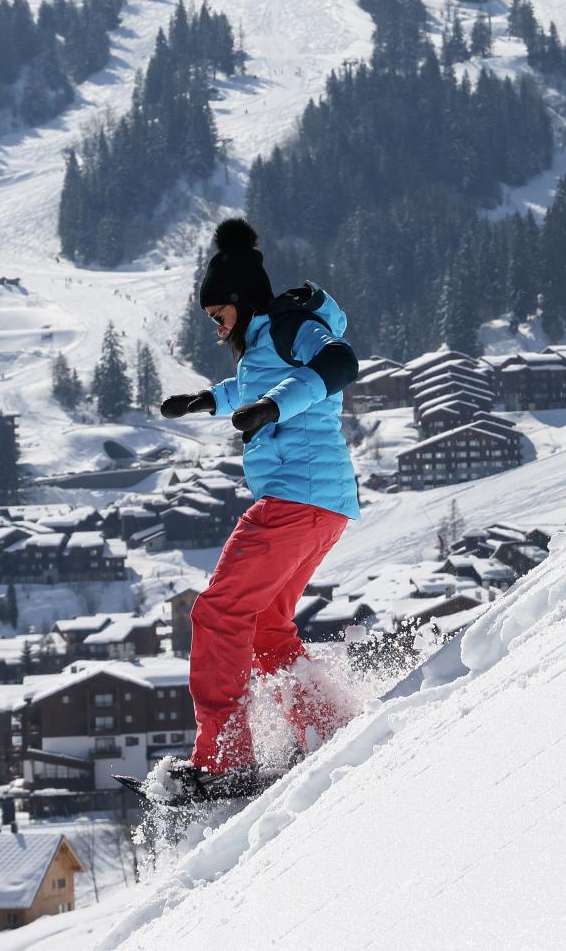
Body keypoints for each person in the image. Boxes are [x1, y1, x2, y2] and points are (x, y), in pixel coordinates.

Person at [154, 217, 360, 798]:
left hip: (295, 501)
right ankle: (329, 730)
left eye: (220, 317)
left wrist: (272, 408)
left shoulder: (294, 325)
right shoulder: (266, 345)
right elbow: (257, 387)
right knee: (267, 625)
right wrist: (206, 400)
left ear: (241, 303)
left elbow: (340, 364)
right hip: (324, 505)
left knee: (217, 615)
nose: (219, 332)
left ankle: (225, 760)